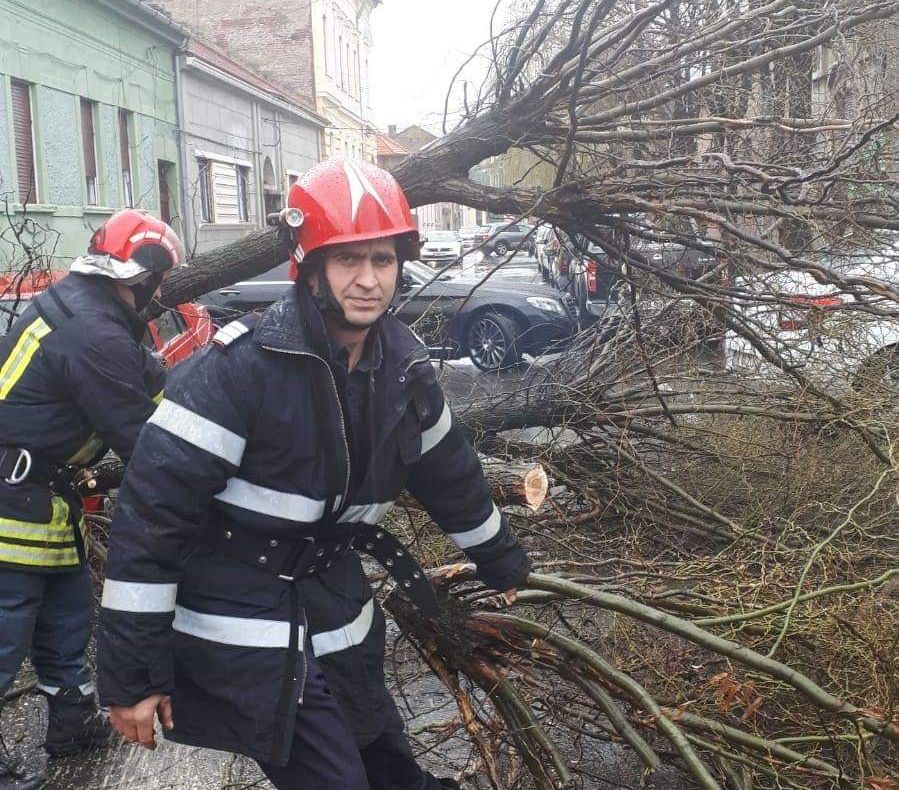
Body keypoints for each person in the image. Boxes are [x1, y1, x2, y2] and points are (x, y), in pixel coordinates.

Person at [97, 159, 531, 789]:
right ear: (311, 267)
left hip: (331, 596)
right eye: (348, 259)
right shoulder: (240, 370)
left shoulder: (403, 368)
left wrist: (502, 562)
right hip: (237, 613)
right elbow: (150, 516)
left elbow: (450, 473)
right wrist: (133, 677)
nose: (368, 280)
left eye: (382, 260)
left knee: (392, 771)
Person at [0, 209, 185, 790]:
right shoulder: (94, 331)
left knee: (67, 615)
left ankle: (72, 722)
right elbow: (145, 439)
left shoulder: (88, 307)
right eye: (159, 283)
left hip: (43, 499)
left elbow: (146, 375)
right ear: (144, 276)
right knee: (6, 629)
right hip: (13, 502)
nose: (159, 295)